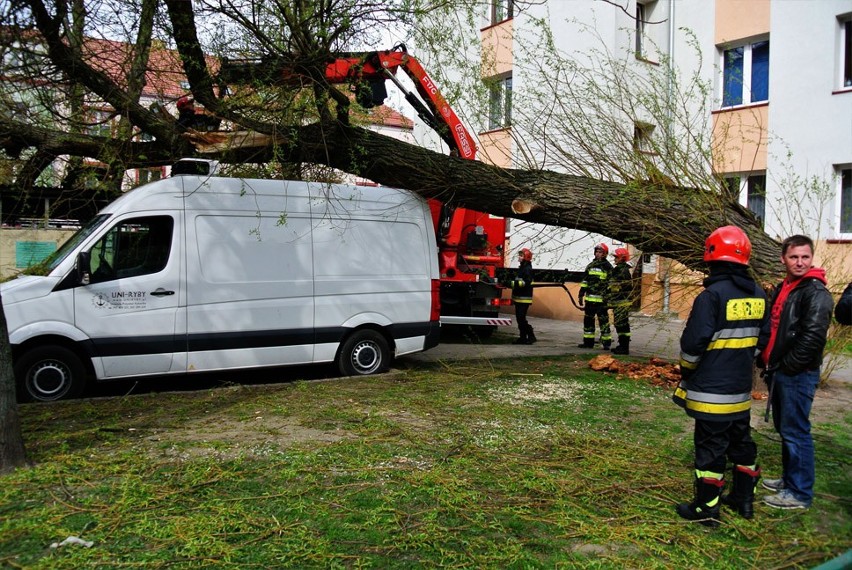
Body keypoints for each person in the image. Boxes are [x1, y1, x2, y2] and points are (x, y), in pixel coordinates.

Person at [673, 225, 769, 526]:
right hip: (740, 390)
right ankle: (744, 500)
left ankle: (706, 509)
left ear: (712, 256)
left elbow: (691, 346)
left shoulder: (711, 296)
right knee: (741, 441)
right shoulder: (758, 294)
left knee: (710, 449)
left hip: (710, 391)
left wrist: (687, 373)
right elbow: (762, 341)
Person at [760, 235, 834, 510]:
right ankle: (790, 480)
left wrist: (788, 367)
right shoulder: (787, 287)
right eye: (794, 257)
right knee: (786, 428)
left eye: (805, 257)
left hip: (796, 374)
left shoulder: (815, 292)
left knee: (796, 432)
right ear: (783, 259)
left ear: (812, 258)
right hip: (780, 371)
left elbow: (812, 338)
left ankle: (800, 493)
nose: (800, 262)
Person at [577, 243, 613, 349]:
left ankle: (606, 343)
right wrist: (581, 294)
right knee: (588, 322)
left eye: (600, 252)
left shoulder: (608, 267)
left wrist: (608, 297)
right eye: (596, 252)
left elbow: (611, 284)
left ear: (605, 254)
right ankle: (588, 343)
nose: (597, 254)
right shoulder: (590, 265)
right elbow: (585, 281)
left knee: (603, 322)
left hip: (602, 301)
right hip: (589, 300)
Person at [508, 248, 536, 345]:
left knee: (521, 318)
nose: (519, 257)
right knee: (519, 319)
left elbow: (526, 282)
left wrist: (512, 283)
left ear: (526, 257)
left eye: (521, 255)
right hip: (519, 298)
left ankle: (531, 335)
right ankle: (523, 338)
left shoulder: (527, 269)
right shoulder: (522, 268)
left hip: (524, 298)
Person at [609, 247, 634, 355]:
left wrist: (608, 290)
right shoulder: (620, 269)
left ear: (621, 258)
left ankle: (624, 347)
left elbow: (618, 287)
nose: (614, 259)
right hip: (619, 301)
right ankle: (622, 346)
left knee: (622, 324)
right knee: (620, 324)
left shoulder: (622, 271)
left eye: (616, 257)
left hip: (621, 302)